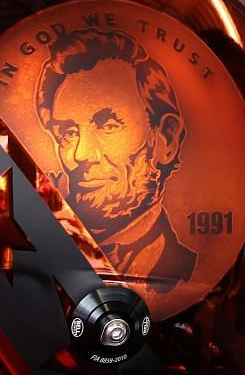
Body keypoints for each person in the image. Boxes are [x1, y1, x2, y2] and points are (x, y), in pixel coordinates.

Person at [37, 27, 197, 291]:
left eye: (108, 126)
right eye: (67, 133)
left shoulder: (188, 274)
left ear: (165, 139)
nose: (80, 155)